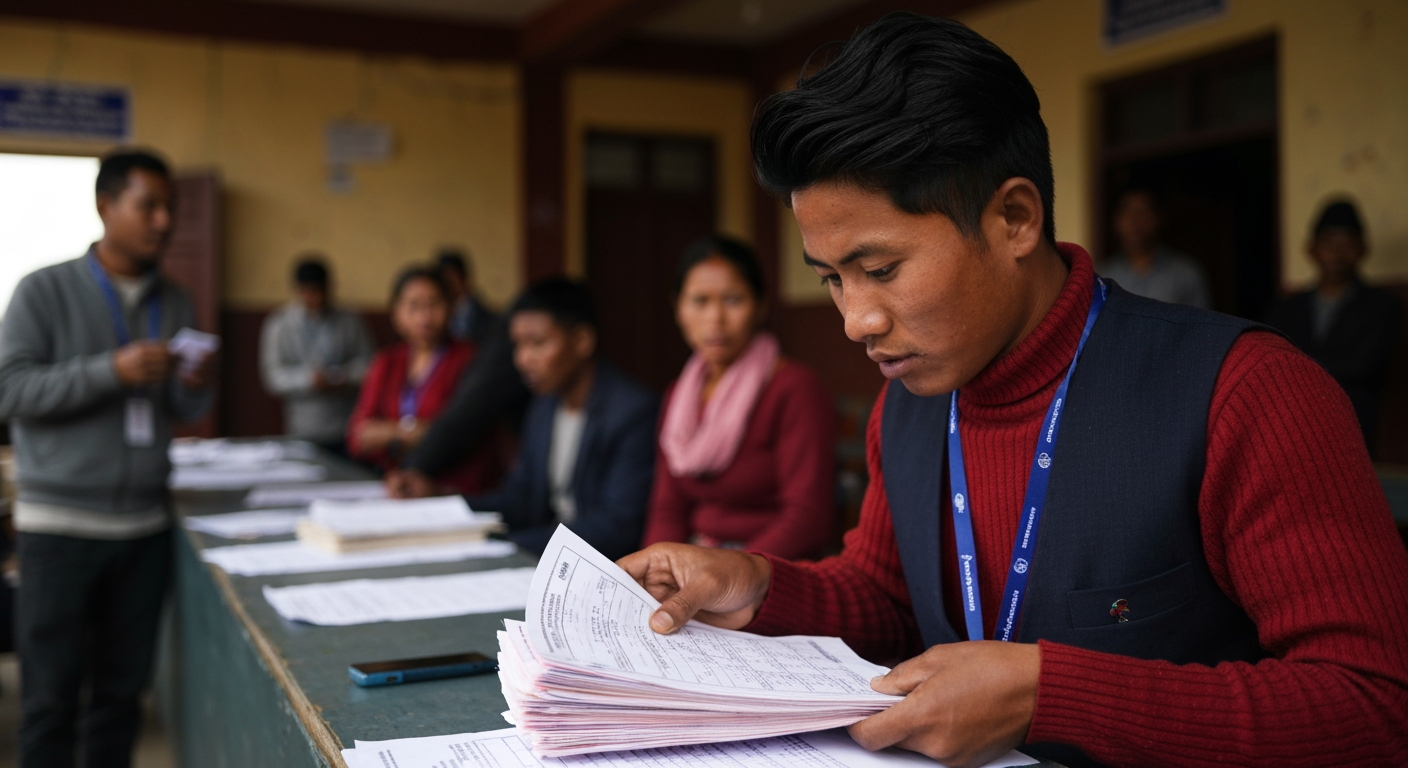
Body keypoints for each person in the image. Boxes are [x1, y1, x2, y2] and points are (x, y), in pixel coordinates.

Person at [620, 14, 1408, 768]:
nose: (857, 319)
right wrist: (760, 586)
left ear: (1016, 219)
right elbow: (892, 598)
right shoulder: (910, 405)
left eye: (881, 269)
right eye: (831, 278)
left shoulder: (1248, 394)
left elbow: (1377, 708)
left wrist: (1048, 696)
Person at [0, 149, 216, 767]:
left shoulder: (175, 300)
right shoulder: (43, 289)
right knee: (50, 703)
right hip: (60, 528)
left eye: (170, 207)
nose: (164, 221)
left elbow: (179, 406)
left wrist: (196, 385)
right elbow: (10, 390)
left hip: (144, 528)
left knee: (122, 699)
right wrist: (109, 372)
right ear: (105, 207)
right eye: (149, 206)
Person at [643, 236, 836, 559]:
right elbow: (668, 508)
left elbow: (808, 518)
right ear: (678, 308)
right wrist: (656, 569)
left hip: (769, 567)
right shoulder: (678, 396)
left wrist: (732, 573)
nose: (715, 319)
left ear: (760, 306)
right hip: (696, 561)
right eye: (699, 301)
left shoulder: (794, 388)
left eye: (733, 300)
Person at [465, 278, 657, 560]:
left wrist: (512, 546)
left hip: (602, 566)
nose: (523, 359)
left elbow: (618, 528)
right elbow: (520, 497)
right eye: (518, 345)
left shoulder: (632, 412)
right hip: (547, 556)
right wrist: (449, 504)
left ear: (581, 341)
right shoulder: (544, 405)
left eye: (537, 343)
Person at [346, 266, 502, 493]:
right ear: (396, 312)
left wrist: (387, 434)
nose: (425, 316)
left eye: (434, 304)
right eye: (414, 306)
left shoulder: (470, 358)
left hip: (451, 487)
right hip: (397, 485)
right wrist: (407, 432)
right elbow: (357, 437)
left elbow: (461, 433)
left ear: (452, 307)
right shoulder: (387, 362)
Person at [1265, 199, 1402, 453]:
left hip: (1353, 424)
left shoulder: (1383, 306)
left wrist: (1299, 370)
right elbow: (1271, 359)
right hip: (1293, 423)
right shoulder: (1288, 307)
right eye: (1329, 242)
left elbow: (1365, 366)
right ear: (1312, 249)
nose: (1338, 252)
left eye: (1347, 243)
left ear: (1362, 248)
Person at [259, 256, 375, 453]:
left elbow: (370, 367)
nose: (314, 298)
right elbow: (273, 376)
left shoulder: (350, 321)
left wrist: (343, 377)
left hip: (346, 426)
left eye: (319, 291)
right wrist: (309, 380)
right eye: (308, 291)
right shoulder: (279, 324)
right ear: (297, 290)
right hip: (302, 427)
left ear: (329, 289)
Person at [1100, 188, 1211, 308]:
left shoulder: (1186, 274)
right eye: (1127, 211)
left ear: (1159, 217)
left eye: (1143, 212)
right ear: (1116, 219)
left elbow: (1202, 319)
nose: (1135, 220)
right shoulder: (1103, 274)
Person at [439, 248, 498, 344]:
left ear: (465, 279)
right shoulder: (434, 319)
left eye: (450, 280)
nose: (447, 287)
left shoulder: (491, 322)